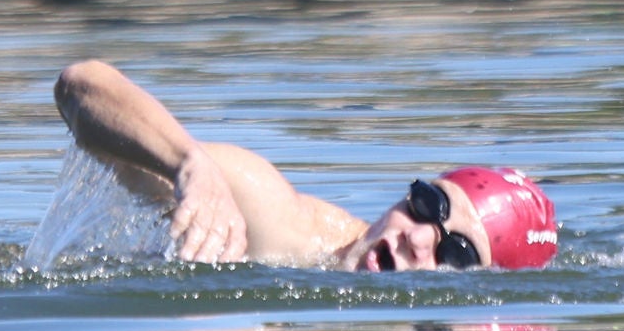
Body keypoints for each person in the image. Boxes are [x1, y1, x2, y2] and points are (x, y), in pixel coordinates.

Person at [48, 58, 559, 271]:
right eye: (429, 204)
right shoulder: (282, 223)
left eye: (459, 253)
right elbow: (80, 86)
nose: (417, 236)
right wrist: (190, 167)